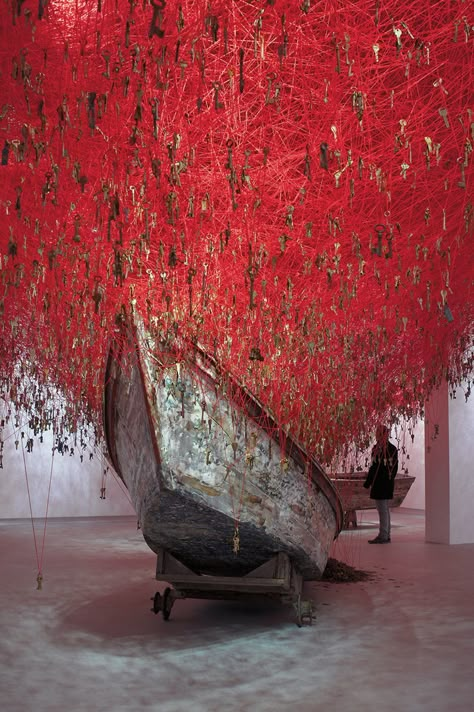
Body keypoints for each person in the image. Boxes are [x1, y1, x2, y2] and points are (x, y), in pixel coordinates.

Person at [363, 425, 398, 543]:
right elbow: (374, 467)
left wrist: (369, 483)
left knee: (382, 509)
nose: (376, 435)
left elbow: (391, 468)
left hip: (382, 484)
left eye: (378, 433)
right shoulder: (380, 448)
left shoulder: (388, 449)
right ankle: (385, 534)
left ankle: (383, 535)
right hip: (383, 484)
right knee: (384, 509)